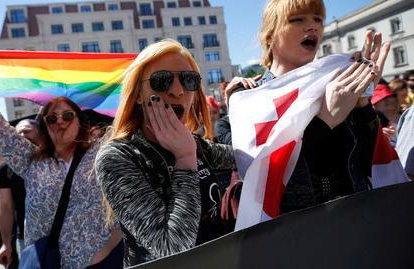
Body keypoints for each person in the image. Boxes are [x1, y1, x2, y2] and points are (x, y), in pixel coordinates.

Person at [217, 0, 390, 213]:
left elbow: (373, 163)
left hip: (358, 217)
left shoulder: (338, 85)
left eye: (318, 19)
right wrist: (326, 121)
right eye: (297, 19)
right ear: (270, 36)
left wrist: (362, 102)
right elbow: (262, 177)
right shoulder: (247, 102)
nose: (313, 26)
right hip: (297, 233)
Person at [0, 57, 123, 268]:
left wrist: (106, 250)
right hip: (46, 262)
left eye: (67, 116)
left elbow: (131, 117)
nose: (60, 121)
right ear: (44, 127)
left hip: (104, 262)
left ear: (80, 121)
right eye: (52, 118)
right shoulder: (30, 161)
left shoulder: (103, 152)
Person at [95, 39, 235, 267]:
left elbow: (249, 154)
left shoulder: (195, 144)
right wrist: (185, 160)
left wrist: (245, 95)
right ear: (139, 94)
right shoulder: (117, 156)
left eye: (188, 80)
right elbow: (171, 247)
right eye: (162, 80)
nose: (178, 91)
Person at [0, 119, 41, 268]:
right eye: (18, 132)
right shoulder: (5, 169)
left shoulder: (57, 160)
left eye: (27, 131)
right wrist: (6, 243)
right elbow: (5, 207)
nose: (22, 135)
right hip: (26, 240)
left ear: (40, 133)